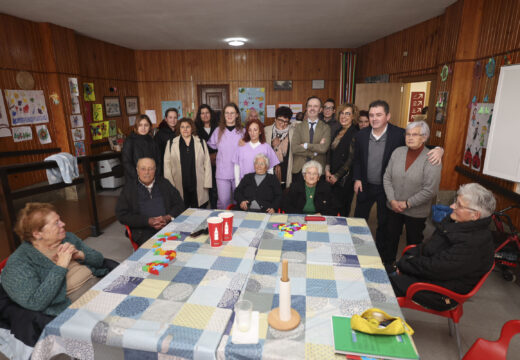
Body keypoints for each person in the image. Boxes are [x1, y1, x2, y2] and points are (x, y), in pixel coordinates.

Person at [352, 100, 443, 261]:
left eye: (379, 115)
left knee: (384, 226)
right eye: (372, 115)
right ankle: (357, 250)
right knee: (359, 221)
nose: (374, 119)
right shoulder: (361, 135)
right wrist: (357, 178)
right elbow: (357, 159)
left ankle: (379, 257)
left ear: (388, 116)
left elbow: (422, 144)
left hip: (386, 190)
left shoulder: (399, 134)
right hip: (366, 186)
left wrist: (440, 150)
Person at [390, 183, 496, 311]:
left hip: (443, 292)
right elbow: (428, 245)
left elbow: (437, 268)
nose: (452, 207)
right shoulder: (454, 221)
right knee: (379, 272)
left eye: (459, 205)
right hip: (430, 275)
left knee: (383, 285)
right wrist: (406, 260)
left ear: (475, 215)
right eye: (455, 201)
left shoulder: (474, 243)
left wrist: (404, 265)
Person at [1, 203, 113, 316]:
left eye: (60, 220)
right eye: (56, 223)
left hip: (99, 282)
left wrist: (80, 255)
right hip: (76, 300)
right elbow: (35, 303)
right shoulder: (19, 263)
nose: (63, 224)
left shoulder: (68, 237)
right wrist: (60, 266)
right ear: (37, 233)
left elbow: (99, 260)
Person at [383, 121, 441, 272]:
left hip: (416, 212)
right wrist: (392, 200)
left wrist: (407, 204)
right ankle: (388, 267)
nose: (410, 138)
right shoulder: (398, 152)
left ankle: (410, 270)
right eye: (408, 134)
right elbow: (387, 178)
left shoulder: (431, 158)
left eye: (415, 134)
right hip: (393, 206)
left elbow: (430, 190)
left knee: (413, 242)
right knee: (390, 238)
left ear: (424, 137)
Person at [116, 157, 185, 246]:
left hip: (168, 225)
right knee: (158, 250)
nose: (147, 172)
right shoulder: (129, 189)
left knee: (187, 242)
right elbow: (121, 215)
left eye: (150, 169)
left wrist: (167, 217)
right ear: (137, 170)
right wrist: (147, 221)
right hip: (143, 230)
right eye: (143, 169)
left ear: (155, 170)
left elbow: (179, 204)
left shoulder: (164, 183)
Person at [164, 118, 212, 208]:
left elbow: (207, 163)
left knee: (199, 211)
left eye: (187, 127)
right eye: (182, 127)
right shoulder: (171, 143)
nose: (185, 129)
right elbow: (167, 165)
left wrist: (207, 183)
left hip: (199, 184)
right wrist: (170, 185)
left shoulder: (201, 142)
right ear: (179, 129)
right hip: (179, 183)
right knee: (182, 210)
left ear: (192, 128)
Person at [207, 103, 245, 209]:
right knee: (224, 202)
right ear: (223, 115)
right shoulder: (218, 131)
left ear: (237, 115)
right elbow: (210, 146)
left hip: (239, 172)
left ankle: (238, 223)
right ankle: (224, 223)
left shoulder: (243, 131)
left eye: (232, 113)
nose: (229, 115)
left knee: (238, 201)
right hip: (222, 173)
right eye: (227, 113)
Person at [325, 103, 358, 217]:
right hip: (332, 176)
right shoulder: (338, 130)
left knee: (342, 211)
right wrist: (327, 169)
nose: (344, 116)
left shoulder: (355, 133)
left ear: (353, 116)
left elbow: (351, 159)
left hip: (344, 180)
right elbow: (330, 151)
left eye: (348, 114)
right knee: (331, 208)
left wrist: (337, 176)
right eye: (342, 113)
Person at [291, 96, 331, 181]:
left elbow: (323, 148)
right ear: (306, 108)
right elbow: (294, 148)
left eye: (315, 106)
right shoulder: (298, 127)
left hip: (318, 171)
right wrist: (314, 152)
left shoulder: (326, 128)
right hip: (299, 170)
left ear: (320, 109)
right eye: (310, 106)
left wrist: (306, 145)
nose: (312, 108)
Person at [233, 118, 279, 186]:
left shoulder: (266, 147)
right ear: (247, 132)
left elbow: (270, 169)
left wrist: (268, 184)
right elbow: (237, 167)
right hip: (244, 184)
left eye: (255, 130)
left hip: (262, 184)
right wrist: (237, 184)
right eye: (250, 130)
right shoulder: (241, 147)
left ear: (260, 131)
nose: (252, 133)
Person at [122, 114, 162, 180]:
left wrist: (155, 175)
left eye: (146, 125)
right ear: (136, 126)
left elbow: (158, 161)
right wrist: (140, 177)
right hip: (135, 179)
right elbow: (127, 163)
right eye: (140, 125)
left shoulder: (152, 141)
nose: (143, 128)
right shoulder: (130, 141)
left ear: (149, 127)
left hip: (152, 178)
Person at [194, 104, 219, 208]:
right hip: (203, 163)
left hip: (218, 161)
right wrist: (208, 156)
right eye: (202, 113)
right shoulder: (196, 129)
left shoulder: (218, 127)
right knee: (207, 187)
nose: (205, 115)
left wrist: (217, 155)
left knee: (217, 188)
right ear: (199, 115)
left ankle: (217, 207)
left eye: (207, 113)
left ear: (211, 114)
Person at [265, 106, 295, 188]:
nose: (283, 124)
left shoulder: (293, 131)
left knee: (285, 192)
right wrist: (272, 145)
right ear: (275, 119)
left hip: (286, 167)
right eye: (280, 120)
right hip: (270, 168)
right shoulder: (266, 131)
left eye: (286, 122)